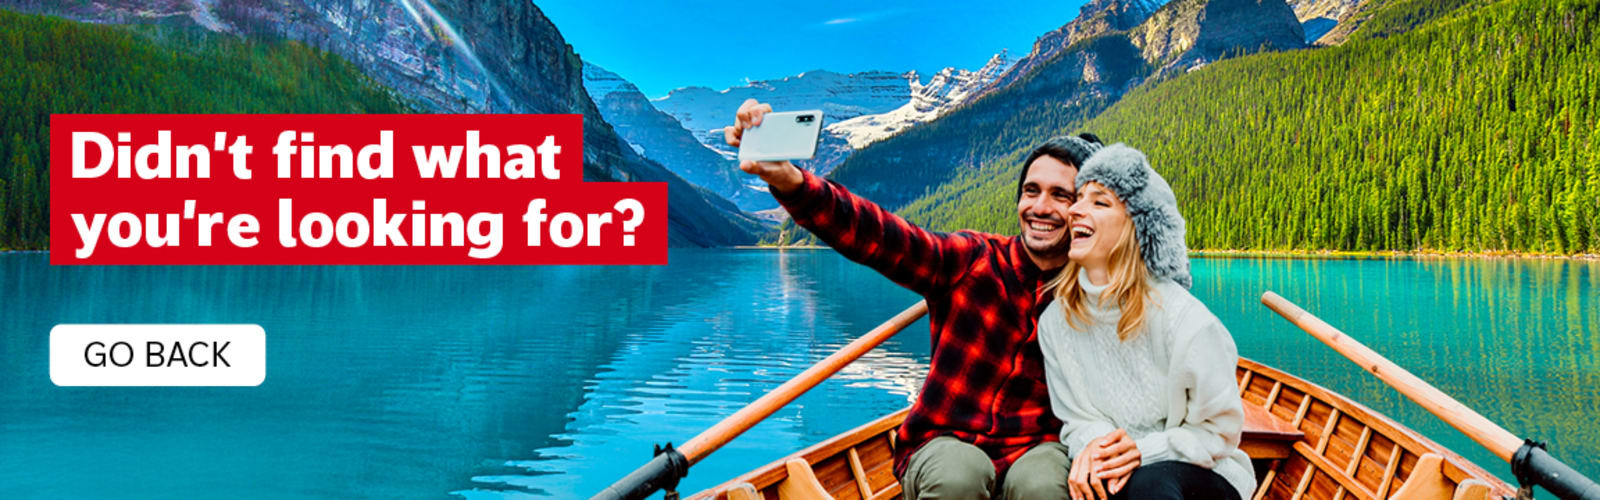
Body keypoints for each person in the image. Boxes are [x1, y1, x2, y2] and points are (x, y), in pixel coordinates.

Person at [726, 99, 1103, 499]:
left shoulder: (1101, 294)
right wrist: (791, 182)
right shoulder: (971, 259)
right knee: (959, 475)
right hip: (945, 442)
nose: (1040, 207)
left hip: (1037, 447)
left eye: (1061, 195)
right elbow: (876, 234)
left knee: (1044, 485)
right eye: (1031, 191)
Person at [1035, 144, 1255, 500]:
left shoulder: (1186, 321)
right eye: (1078, 199)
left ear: (1137, 226)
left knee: (1148, 486)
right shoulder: (1055, 322)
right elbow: (1077, 419)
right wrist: (1099, 450)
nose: (1074, 210)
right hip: (1116, 474)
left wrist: (1142, 452)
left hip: (1202, 472)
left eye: (1099, 202)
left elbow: (1219, 434)